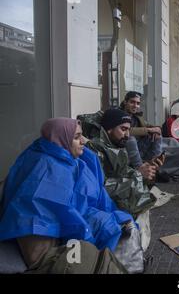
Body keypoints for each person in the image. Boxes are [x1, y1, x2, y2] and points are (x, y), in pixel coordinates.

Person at [0, 118, 132, 273]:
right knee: (106, 226)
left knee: (107, 222)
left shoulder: (61, 157)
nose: (83, 141)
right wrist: (86, 234)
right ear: (59, 138)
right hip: (42, 239)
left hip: (54, 229)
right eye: (76, 137)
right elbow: (48, 207)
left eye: (81, 135)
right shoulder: (48, 167)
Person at [79, 109, 158, 216]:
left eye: (129, 130)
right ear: (109, 129)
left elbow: (122, 174)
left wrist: (146, 171)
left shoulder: (114, 145)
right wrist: (138, 174)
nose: (127, 135)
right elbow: (102, 188)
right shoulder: (94, 150)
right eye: (123, 129)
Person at [119, 91, 165, 182]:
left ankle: (153, 169)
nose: (135, 105)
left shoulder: (136, 116)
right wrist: (148, 130)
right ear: (125, 102)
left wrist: (157, 129)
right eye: (132, 102)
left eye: (138, 103)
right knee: (130, 139)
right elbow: (125, 131)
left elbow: (149, 126)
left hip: (139, 148)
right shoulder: (119, 115)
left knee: (157, 136)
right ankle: (141, 171)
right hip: (124, 148)